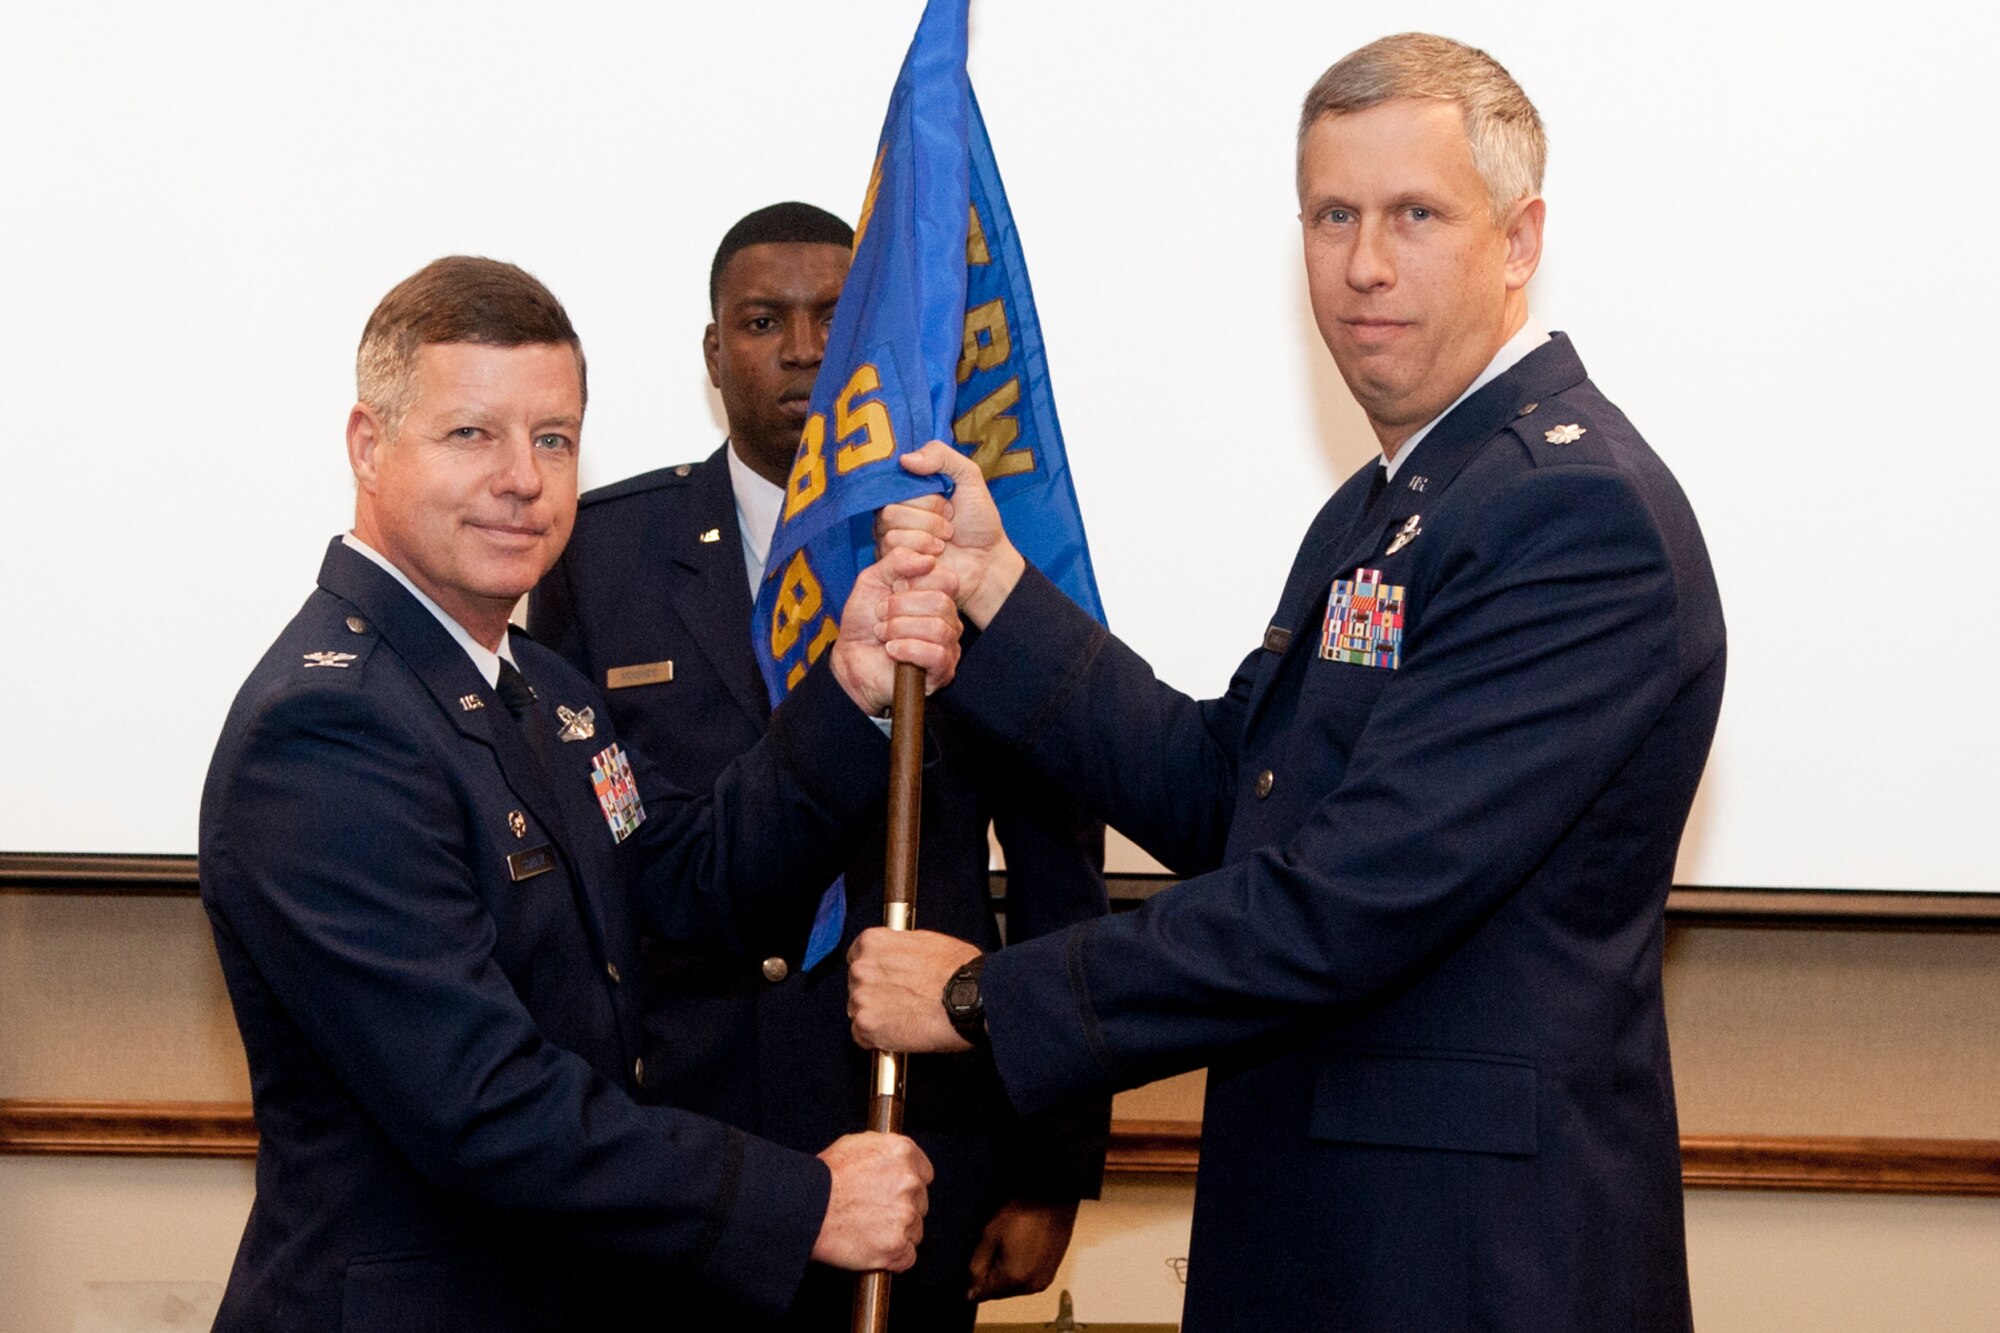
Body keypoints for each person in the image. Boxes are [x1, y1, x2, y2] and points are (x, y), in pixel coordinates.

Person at [849, 33, 1725, 1332]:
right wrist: (996, 594)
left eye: (1416, 215)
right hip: (1337, 1232)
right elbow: (1232, 797)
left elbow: (1349, 901)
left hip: (1467, 1263)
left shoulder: (1569, 513)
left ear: (1520, 239)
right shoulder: (1386, 508)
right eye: (1332, 215)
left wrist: (985, 995)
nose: (1364, 262)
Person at [197, 255, 962, 1332]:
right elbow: (483, 1102)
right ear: (370, 447)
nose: (523, 477)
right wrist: (802, 1200)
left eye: (551, 437)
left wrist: (849, 694)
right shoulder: (330, 726)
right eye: (473, 434)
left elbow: (686, 892)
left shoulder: (540, 689)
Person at [530, 202, 1109, 1330]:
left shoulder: (959, 554)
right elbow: (569, 881)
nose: (802, 348)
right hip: (682, 1156)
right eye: (762, 319)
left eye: (834, 319)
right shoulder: (599, 557)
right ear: (713, 352)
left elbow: (1056, 868)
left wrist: (1050, 1165)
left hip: (911, 1147)